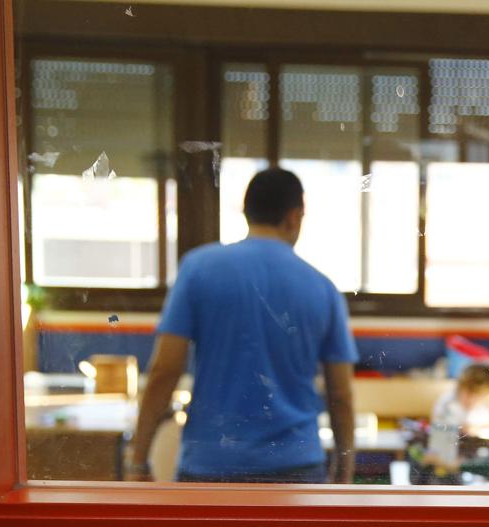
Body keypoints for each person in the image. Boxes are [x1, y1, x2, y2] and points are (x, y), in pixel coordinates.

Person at [127, 168, 358, 484]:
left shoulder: (198, 268)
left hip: (211, 467)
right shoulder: (323, 288)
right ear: (294, 217)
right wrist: (344, 472)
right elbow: (341, 394)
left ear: (247, 212)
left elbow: (164, 370)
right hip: (297, 469)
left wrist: (138, 460)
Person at [431, 362, 489, 433]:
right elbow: (437, 424)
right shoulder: (448, 401)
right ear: (459, 387)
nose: (472, 399)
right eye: (469, 393)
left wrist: (477, 428)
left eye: (478, 395)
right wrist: (460, 428)